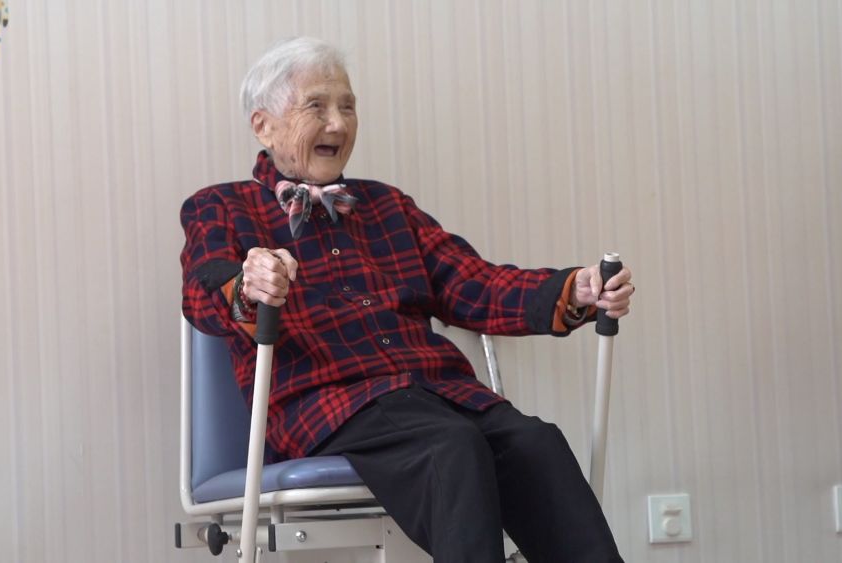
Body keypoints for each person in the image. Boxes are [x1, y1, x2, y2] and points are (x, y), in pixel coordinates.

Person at [180, 37, 634, 563]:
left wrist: (573, 289)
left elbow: (474, 284)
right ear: (264, 125)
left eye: (348, 106)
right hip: (329, 402)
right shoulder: (221, 206)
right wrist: (248, 283)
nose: (337, 124)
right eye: (316, 107)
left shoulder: (388, 206)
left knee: (536, 443)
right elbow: (202, 291)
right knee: (452, 447)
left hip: (437, 393)